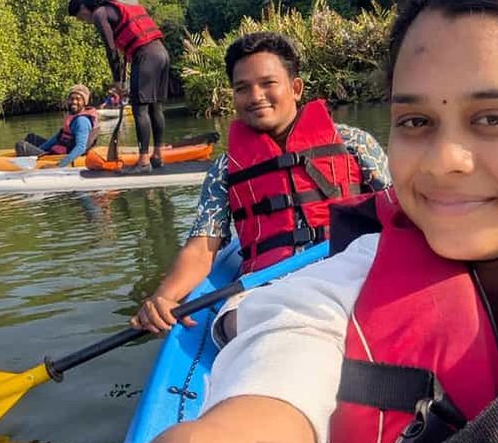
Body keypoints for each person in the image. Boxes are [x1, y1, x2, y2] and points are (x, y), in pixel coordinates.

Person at [147, 0, 498, 443]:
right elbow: (272, 370)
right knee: (243, 319)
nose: (442, 162)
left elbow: (383, 197)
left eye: (493, 119)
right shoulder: (319, 292)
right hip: (274, 279)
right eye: (415, 122)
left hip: (323, 254)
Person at [131, 32, 391, 347]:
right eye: (242, 88)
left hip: (346, 270)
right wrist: (164, 297)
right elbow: (202, 248)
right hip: (267, 287)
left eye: (268, 83)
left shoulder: (354, 143)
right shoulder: (224, 169)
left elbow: (399, 212)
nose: (255, 96)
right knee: (231, 322)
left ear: (295, 89)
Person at [68, 0, 169, 172]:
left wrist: (117, 81)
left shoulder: (99, 13)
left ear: (84, 7)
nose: (84, 21)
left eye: (80, 17)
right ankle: (158, 155)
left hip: (146, 56)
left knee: (140, 109)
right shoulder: (117, 6)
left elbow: (110, 48)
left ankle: (144, 161)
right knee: (155, 107)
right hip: (161, 53)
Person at [15, 84, 100, 168]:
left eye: (78, 99)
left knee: (21, 146)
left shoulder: (81, 121)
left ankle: (24, 163)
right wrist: (40, 152)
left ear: (84, 102)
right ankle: (34, 157)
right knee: (31, 137)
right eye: (71, 99)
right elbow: (57, 138)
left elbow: (81, 148)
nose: (74, 102)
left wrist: (59, 165)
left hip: (64, 154)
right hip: (61, 148)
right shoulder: (73, 116)